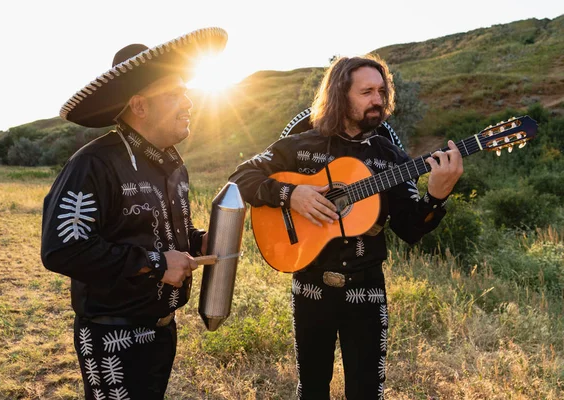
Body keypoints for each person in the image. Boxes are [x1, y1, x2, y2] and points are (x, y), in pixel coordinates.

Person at [228, 54, 463, 399]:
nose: (378, 100)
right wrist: (291, 194)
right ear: (340, 95)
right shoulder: (299, 146)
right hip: (310, 288)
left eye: (382, 92)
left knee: (368, 392)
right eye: (367, 91)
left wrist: (436, 197)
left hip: (367, 292)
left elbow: (411, 228)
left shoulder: (390, 158)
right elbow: (240, 176)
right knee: (311, 390)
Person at [41, 27, 227, 399]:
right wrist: (157, 263)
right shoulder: (95, 163)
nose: (188, 102)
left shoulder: (174, 166)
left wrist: (197, 241)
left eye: (187, 92)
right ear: (140, 105)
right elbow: (62, 249)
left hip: (163, 330)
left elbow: (159, 233)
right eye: (175, 94)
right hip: (112, 336)